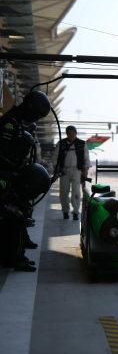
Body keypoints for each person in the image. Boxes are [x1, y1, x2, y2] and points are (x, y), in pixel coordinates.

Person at [0, 90, 51, 271]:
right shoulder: (10, 123)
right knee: (15, 218)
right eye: (37, 114)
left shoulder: (21, 123)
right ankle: (15, 258)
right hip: (5, 178)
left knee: (20, 214)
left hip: (13, 177)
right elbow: (5, 155)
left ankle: (14, 254)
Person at [52, 125, 90, 220]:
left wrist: (85, 170)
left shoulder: (82, 144)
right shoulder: (61, 144)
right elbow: (55, 157)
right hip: (64, 170)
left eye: (73, 133)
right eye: (69, 133)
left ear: (76, 133)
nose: (71, 135)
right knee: (64, 192)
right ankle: (65, 211)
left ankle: (76, 212)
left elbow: (86, 158)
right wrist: (56, 167)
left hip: (77, 171)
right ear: (67, 134)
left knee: (76, 192)